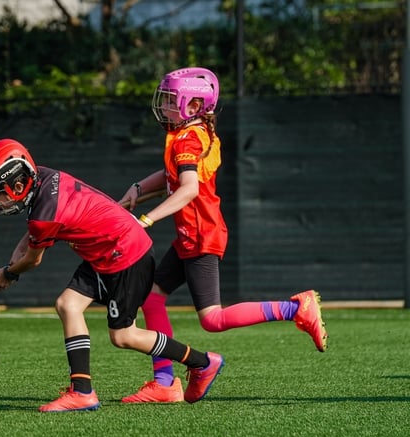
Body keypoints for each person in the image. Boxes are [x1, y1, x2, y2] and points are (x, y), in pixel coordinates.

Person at [118, 67, 328, 404]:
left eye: (172, 101)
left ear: (193, 104)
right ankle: (164, 383)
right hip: (191, 236)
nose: (165, 106)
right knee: (152, 297)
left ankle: (295, 308)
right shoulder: (189, 132)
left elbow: (187, 190)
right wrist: (139, 188)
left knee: (212, 319)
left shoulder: (189, 137)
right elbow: (172, 174)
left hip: (201, 237)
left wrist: (147, 218)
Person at [0, 138, 225, 412]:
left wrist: (9, 272)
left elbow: (33, 259)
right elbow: (34, 233)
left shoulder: (44, 214)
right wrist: (15, 258)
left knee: (124, 336)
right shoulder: (42, 176)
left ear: (18, 185)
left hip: (127, 256)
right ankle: (82, 392)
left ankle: (202, 363)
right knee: (67, 305)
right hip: (103, 252)